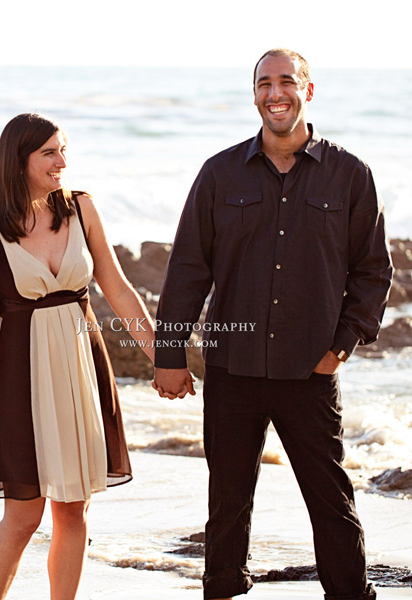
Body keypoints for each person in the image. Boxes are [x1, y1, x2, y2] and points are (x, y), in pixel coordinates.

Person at [153, 49, 392, 600]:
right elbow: (189, 268)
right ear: (254, 94)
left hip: (310, 371)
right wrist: (170, 357)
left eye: (287, 81)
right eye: (265, 83)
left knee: (331, 502)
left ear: (309, 91)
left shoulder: (350, 174)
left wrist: (342, 346)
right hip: (232, 370)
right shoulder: (218, 173)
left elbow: (374, 271)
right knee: (227, 504)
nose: (275, 93)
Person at [0, 113, 155, 600]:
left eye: (63, 149)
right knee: (24, 515)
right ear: (19, 159)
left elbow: (117, 287)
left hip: (81, 368)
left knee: (73, 508)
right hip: (22, 380)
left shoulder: (81, 208)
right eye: (49, 152)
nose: (62, 162)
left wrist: (162, 355)